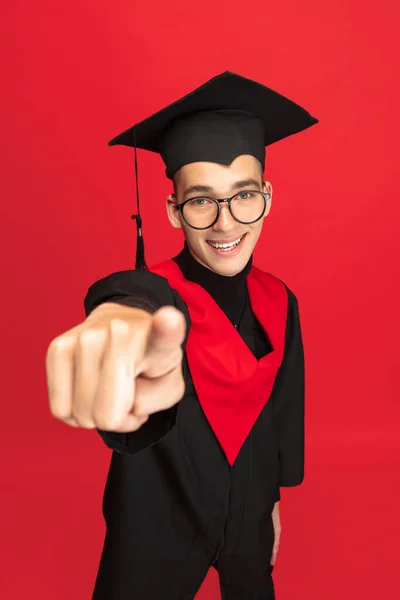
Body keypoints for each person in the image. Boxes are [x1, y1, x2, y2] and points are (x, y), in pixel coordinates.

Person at [46, 71, 318, 599]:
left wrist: (271, 501)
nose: (225, 223)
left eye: (242, 195)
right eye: (200, 201)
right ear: (174, 211)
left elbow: (283, 405)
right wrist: (116, 316)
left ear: (266, 196)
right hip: (159, 513)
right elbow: (132, 297)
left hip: (249, 510)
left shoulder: (280, 298)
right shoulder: (160, 295)